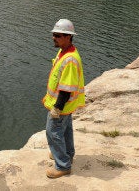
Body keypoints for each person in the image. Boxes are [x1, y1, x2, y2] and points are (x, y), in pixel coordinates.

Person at [43, 19, 85, 179]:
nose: (54, 38)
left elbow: (66, 88)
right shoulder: (64, 52)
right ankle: (66, 154)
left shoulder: (70, 59)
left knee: (53, 132)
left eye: (58, 35)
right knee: (65, 131)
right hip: (65, 106)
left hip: (62, 106)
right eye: (54, 35)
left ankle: (63, 165)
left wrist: (57, 108)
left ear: (68, 37)